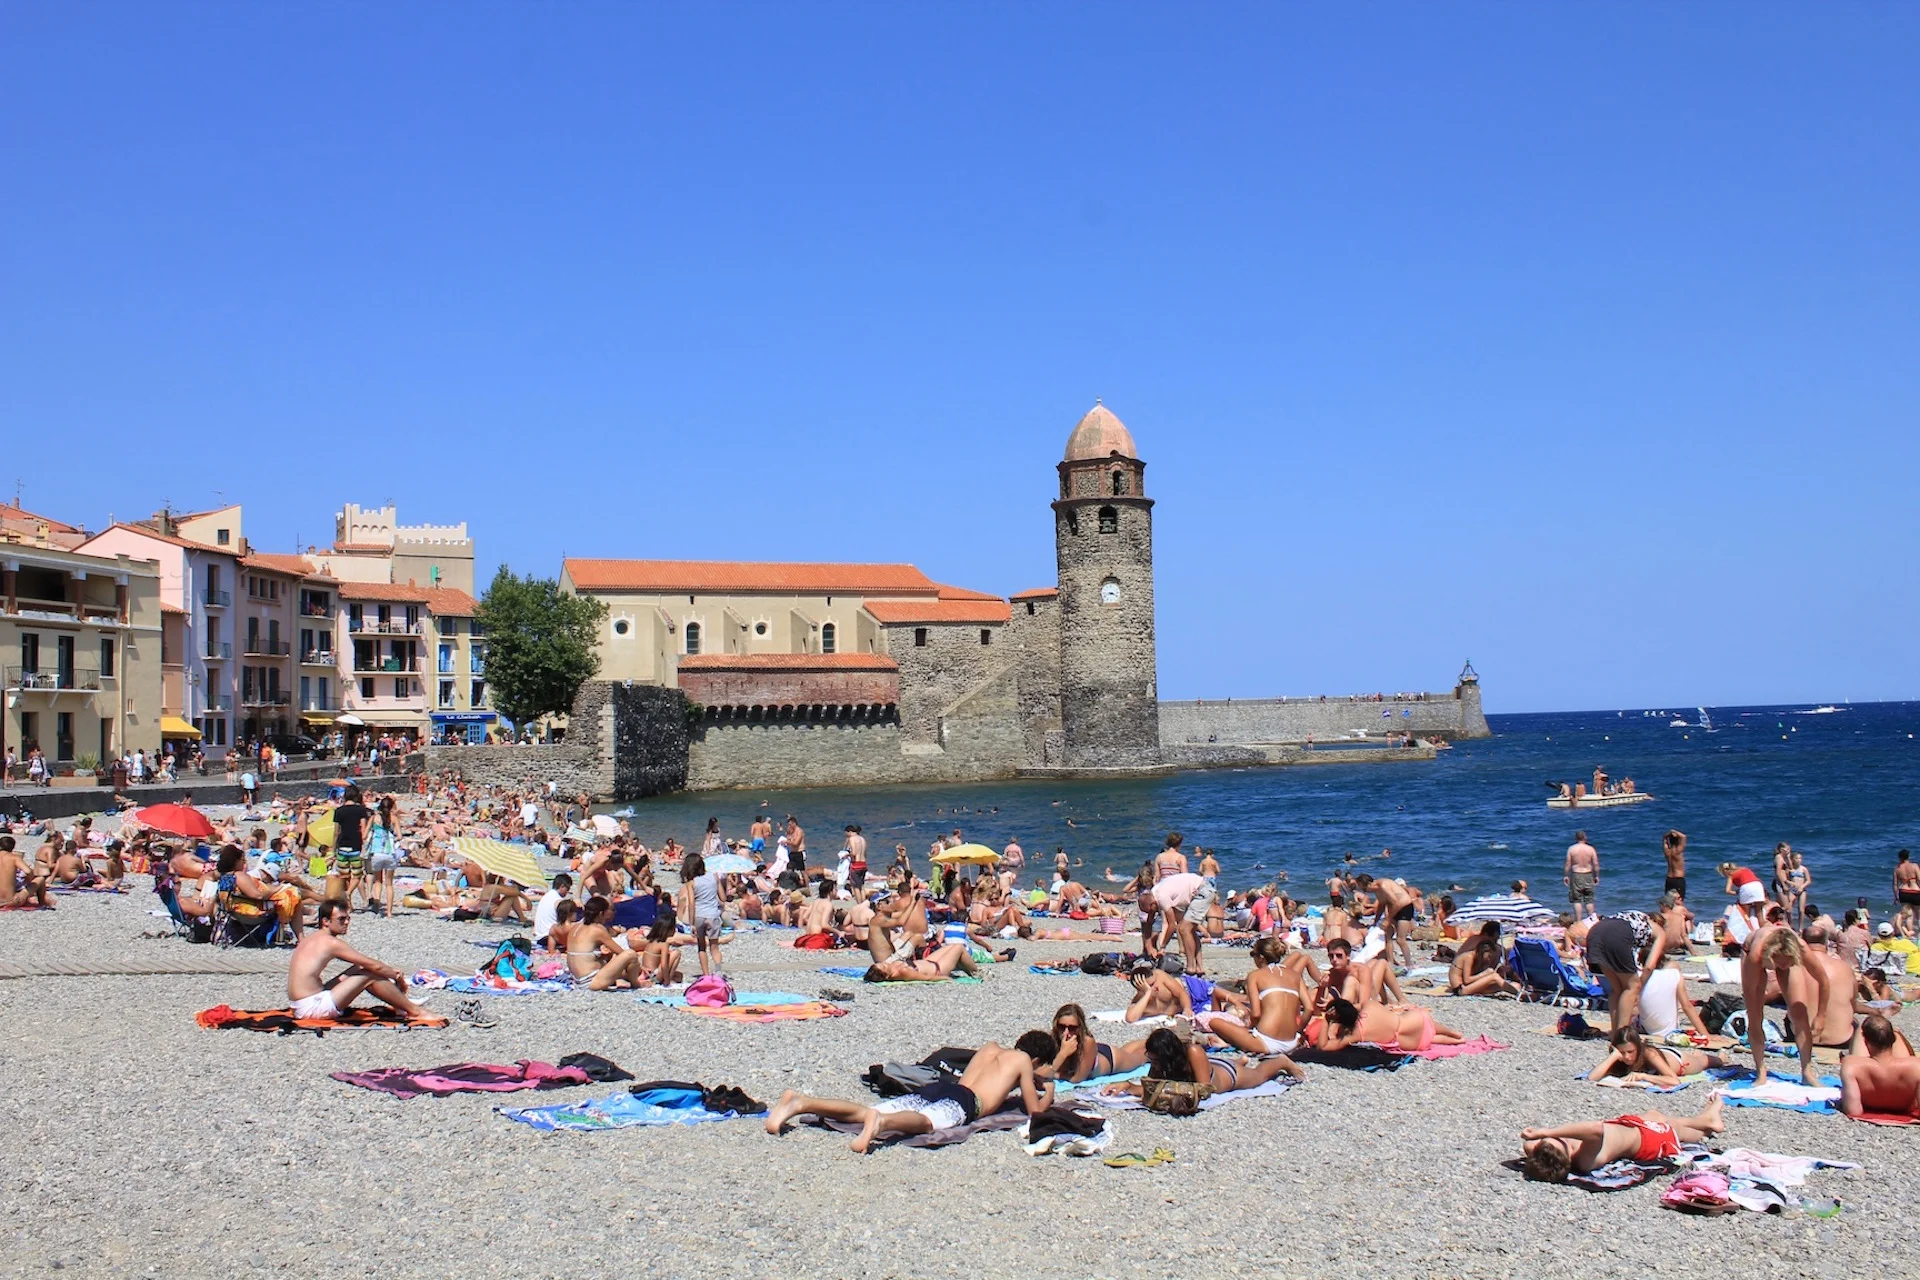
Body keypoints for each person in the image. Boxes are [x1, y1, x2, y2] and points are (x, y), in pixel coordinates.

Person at [765, 1031, 1060, 1153]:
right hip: (966, 1101)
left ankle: (801, 1103)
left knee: (867, 1111)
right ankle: (882, 1124)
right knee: (926, 1123)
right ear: (1036, 1059)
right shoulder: (1023, 1061)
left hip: (945, 1087)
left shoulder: (990, 1047)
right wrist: (1048, 1090)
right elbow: (1034, 1110)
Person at [1520, 1097, 1726, 1182]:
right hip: (1649, 1140)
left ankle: (1706, 1118)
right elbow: (1595, 1128)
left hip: (1632, 1127)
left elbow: (1528, 1145)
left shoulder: (1555, 1155)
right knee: (1680, 1131)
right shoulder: (1584, 1159)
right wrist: (1546, 1131)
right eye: (1559, 1140)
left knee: (1655, 1115)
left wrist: (1537, 1143)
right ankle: (1709, 1121)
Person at [287, 898, 428, 1020]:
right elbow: (374, 966)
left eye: (348, 918)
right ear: (325, 921)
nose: (346, 922)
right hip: (311, 1008)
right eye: (341, 919)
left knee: (360, 968)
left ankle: (400, 1005)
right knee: (369, 974)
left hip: (300, 1004)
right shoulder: (331, 943)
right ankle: (415, 1011)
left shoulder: (311, 938)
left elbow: (363, 963)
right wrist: (397, 977)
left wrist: (390, 972)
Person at [1099, 1026, 1304, 1103]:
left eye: (1154, 1058)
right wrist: (1128, 1086)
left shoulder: (1194, 1051)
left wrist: (1162, 1092)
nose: (1151, 1060)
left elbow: (1204, 1090)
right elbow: (1152, 1085)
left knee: (1259, 1075)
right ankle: (1239, 1060)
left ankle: (1281, 1061)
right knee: (1216, 1064)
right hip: (1209, 1066)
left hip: (1226, 1077)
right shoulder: (1160, 1060)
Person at [1741, 923, 1834, 1086]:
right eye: (1781, 963)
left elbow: (1823, 981)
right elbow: (1749, 990)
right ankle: (1761, 1071)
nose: (1783, 967)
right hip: (1754, 951)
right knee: (1755, 1017)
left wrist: (1821, 1016)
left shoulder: (1801, 948)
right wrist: (1753, 1014)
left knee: (1800, 1015)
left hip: (1784, 952)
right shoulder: (1756, 955)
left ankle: (1807, 1073)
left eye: (1788, 962)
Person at [1198, 934, 1319, 1055]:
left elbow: (1256, 1014)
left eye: (1253, 955)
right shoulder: (1295, 976)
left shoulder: (1255, 975)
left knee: (1214, 1022)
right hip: (1292, 1041)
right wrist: (1298, 1031)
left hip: (1266, 1041)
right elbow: (1309, 1008)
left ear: (1261, 958)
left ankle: (1238, 1044)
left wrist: (1252, 1030)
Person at [1313, 995, 1464, 1052]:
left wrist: (1326, 1019)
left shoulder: (1356, 1034)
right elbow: (1355, 1007)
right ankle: (1453, 1033)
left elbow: (1323, 1047)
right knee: (1428, 1024)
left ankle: (1455, 1041)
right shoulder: (1369, 1005)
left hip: (1409, 1040)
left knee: (1430, 1039)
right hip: (1414, 1019)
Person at [1839, 1015, 1920, 1119]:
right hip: (1904, 1106)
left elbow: (1853, 1111)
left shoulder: (1851, 1065)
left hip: (1870, 1100)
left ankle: (1876, 1031)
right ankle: (1894, 1032)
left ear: (1865, 1042)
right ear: (1893, 1040)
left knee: (1862, 1029)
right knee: (1890, 1031)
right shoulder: (1916, 1066)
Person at [566, 895, 653, 990]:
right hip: (591, 981)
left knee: (615, 961)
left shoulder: (575, 927)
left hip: (577, 980)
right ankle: (636, 984)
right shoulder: (597, 929)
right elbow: (620, 952)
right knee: (631, 954)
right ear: (600, 914)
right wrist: (641, 967)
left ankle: (628, 978)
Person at [1587, 1028, 1729, 1085]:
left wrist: (1643, 1076)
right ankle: (1696, 1053)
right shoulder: (1619, 1057)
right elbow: (1591, 1077)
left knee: (1710, 1062)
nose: (1627, 1057)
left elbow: (1674, 1081)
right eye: (1622, 1052)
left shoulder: (1648, 1053)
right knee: (1698, 1057)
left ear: (1638, 1048)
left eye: (1630, 1052)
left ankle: (1721, 1056)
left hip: (1680, 1062)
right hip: (1663, 1055)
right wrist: (1613, 1056)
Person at [1050, 1003, 1149, 1082]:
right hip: (1096, 1053)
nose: (1066, 1033)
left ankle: (1154, 1040)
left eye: (1072, 1028)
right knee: (1128, 1050)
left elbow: (1078, 1078)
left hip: (1111, 1059)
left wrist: (1061, 1058)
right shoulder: (1053, 1039)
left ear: (1080, 1027)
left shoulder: (1087, 1041)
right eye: (1062, 1027)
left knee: (1142, 1056)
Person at [1150, 870, 1211, 976]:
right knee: (1189, 930)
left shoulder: (1161, 896)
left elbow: (1172, 925)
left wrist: (1163, 946)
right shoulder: (1154, 892)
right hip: (1200, 888)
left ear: (1152, 903)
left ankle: (1191, 967)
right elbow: (1151, 919)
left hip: (1201, 890)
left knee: (1184, 929)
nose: (1154, 912)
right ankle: (1199, 967)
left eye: (1152, 910)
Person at [677, 851, 727, 976]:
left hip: (699, 915)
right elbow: (723, 898)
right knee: (714, 946)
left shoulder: (691, 882)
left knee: (701, 947)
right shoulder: (714, 877)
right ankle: (718, 971)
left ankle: (705, 975)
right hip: (713, 915)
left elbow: (692, 904)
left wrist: (691, 924)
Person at [1358, 873, 1417, 970]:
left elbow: (1396, 903)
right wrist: (1376, 921)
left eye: (1364, 889)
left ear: (1368, 884)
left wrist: (1387, 919)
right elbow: (1382, 905)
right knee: (1387, 936)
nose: (1364, 891)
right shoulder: (1377, 890)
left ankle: (1409, 963)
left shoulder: (1383, 886)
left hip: (1404, 908)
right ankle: (1390, 962)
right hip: (1393, 909)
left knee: (1400, 939)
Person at [329, 785, 371, 911]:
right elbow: (363, 829)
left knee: (344, 875)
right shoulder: (361, 810)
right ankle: (348, 894)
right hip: (356, 845)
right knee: (357, 875)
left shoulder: (339, 811)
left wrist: (333, 849)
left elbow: (336, 832)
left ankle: (349, 904)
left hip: (342, 845)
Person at [865, 940, 979, 983]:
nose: (885, 963)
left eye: (882, 963)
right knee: (959, 948)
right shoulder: (903, 972)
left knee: (952, 946)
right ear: (886, 975)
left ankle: (968, 968)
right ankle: (975, 972)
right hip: (938, 969)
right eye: (884, 966)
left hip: (928, 961)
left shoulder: (892, 967)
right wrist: (945, 978)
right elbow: (925, 978)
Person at [1123, 957, 1193, 1021]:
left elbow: (1181, 993)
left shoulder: (1159, 976)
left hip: (1189, 988)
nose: (1156, 986)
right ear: (1140, 988)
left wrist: (1187, 1008)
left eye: (1154, 982)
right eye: (1150, 985)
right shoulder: (1140, 1002)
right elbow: (1130, 1019)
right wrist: (1148, 992)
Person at [534, 873, 573, 947]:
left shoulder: (546, 896)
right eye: (567, 889)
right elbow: (565, 922)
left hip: (539, 936)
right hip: (550, 938)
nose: (567, 892)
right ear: (562, 886)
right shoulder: (558, 901)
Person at [1564, 832, 1599, 914]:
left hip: (1576, 874)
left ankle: (1578, 920)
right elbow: (1596, 863)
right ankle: (1591, 919)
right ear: (1585, 837)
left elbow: (1568, 863)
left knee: (1577, 900)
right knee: (1589, 900)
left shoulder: (1571, 849)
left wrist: (1566, 875)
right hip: (1588, 874)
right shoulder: (1591, 849)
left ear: (1576, 838)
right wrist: (1596, 876)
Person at [1895, 850, 1920, 940]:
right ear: (1908, 856)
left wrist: (1896, 897)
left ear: (1900, 857)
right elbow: (1919, 879)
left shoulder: (1897, 868)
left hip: (1904, 892)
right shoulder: (1914, 866)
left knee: (1909, 915)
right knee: (1919, 916)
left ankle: (1911, 935)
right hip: (1915, 891)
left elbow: (1895, 884)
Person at [1662, 830, 1688, 901]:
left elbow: (1664, 838)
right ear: (1678, 841)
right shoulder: (1678, 851)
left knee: (1668, 902)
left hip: (1669, 879)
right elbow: (1684, 836)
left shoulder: (1667, 851)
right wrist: (1673, 831)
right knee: (1679, 901)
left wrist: (1669, 834)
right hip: (1678, 879)